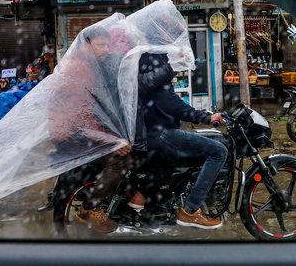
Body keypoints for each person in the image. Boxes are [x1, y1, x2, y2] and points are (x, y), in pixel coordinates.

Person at [49, 25, 133, 233]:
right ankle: (93, 207)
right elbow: (81, 118)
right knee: (122, 160)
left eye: (108, 45)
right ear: (87, 45)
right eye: (101, 45)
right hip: (72, 135)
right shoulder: (80, 69)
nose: (106, 49)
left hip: (72, 131)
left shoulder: (83, 64)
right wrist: (111, 142)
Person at [141, 52, 227, 229]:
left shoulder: (151, 58)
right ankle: (190, 210)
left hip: (153, 129)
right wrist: (204, 117)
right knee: (219, 151)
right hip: (161, 131)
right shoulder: (154, 60)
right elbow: (170, 103)